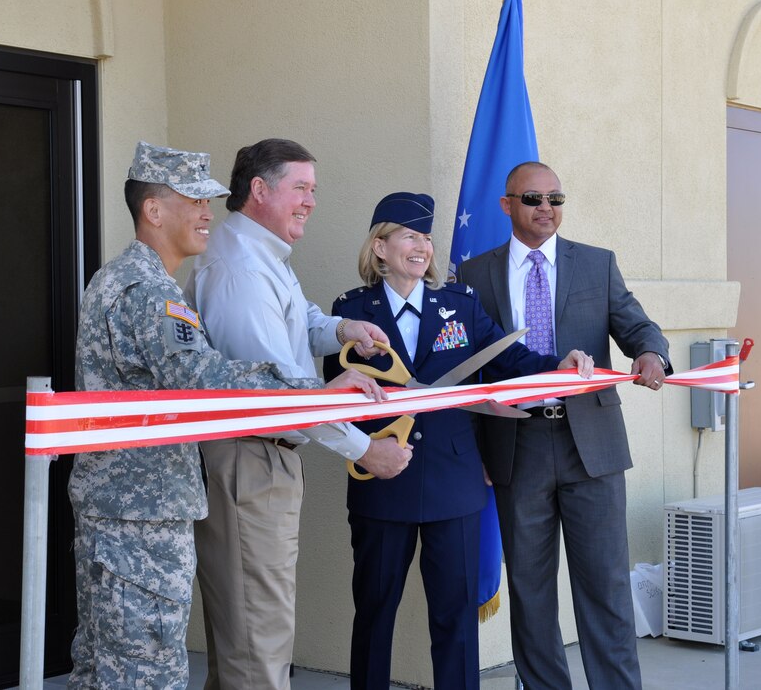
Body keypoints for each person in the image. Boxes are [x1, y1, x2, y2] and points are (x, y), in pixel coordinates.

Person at [69, 141, 386, 689]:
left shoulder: (141, 282)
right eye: (194, 200)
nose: (207, 213)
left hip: (136, 509)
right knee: (145, 672)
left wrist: (331, 346)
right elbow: (211, 378)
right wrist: (320, 392)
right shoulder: (148, 293)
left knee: (116, 668)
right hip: (138, 518)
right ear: (154, 210)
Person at [323, 192, 593, 690]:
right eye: (410, 236)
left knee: (455, 620)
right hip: (384, 479)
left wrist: (556, 365)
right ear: (379, 247)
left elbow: (508, 362)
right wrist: (374, 448)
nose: (422, 247)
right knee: (375, 615)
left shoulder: (459, 305)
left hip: (455, 483)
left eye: (427, 237)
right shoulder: (350, 313)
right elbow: (338, 400)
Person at [183, 138, 412, 690]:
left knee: (250, 636)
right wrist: (366, 450)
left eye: (314, 189)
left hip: (264, 461)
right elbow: (275, 392)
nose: (311, 200)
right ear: (260, 190)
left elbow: (295, 317)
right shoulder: (238, 268)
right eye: (301, 188)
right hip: (249, 460)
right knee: (257, 646)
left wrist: (341, 330)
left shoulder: (259, 252)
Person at [456, 161, 671, 690]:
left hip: (590, 447)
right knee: (530, 592)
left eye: (556, 198)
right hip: (515, 446)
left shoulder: (596, 265)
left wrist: (651, 354)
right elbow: (468, 371)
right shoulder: (474, 274)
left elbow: (636, 324)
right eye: (533, 199)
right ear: (507, 205)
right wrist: (477, 450)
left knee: (605, 588)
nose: (546, 209)